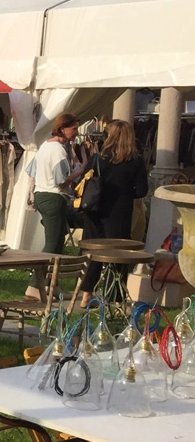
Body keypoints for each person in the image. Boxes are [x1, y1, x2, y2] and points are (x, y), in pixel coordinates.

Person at [76, 120, 149, 308]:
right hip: (119, 211)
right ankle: (114, 297)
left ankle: (86, 292)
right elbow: (141, 190)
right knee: (118, 253)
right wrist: (125, 192)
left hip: (94, 209)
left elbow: (86, 178)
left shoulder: (98, 158)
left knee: (94, 252)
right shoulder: (135, 161)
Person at [27, 113, 84, 262]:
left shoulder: (45, 146)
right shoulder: (58, 150)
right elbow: (62, 181)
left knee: (58, 242)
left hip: (41, 195)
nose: (76, 132)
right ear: (62, 128)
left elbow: (31, 170)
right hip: (53, 197)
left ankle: (52, 282)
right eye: (74, 128)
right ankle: (36, 279)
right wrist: (81, 171)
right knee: (53, 244)